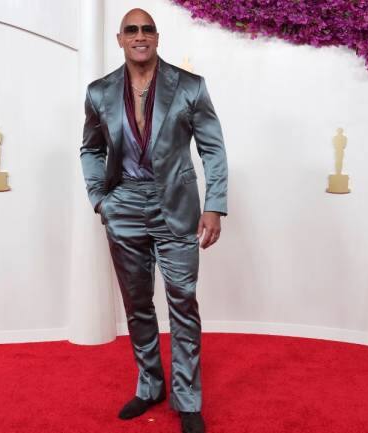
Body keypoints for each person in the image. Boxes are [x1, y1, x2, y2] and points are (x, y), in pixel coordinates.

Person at [79, 8, 228, 433]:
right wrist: (101, 200)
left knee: (183, 301)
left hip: (176, 206)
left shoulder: (190, 86)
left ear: (157, 37)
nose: (140, 36)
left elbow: (213, 149)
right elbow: (91, 149)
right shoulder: (99, 92)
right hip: (123, 204)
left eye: (147, 29)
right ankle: (150, 385)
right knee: (137, 304)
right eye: (132, 30)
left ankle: (187, 398)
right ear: (120, 39)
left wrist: (214, 205)